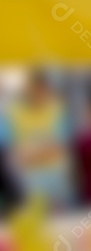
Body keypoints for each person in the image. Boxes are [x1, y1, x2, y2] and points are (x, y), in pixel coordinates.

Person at [8, 72, 70, 208]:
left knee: (61, 217)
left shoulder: (57, 109)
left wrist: (32, 152)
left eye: (42, 90)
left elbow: (61, 147)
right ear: (28, 90)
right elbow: (15, 153)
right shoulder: (15, 113)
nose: (38, 94)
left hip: (56, 176)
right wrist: (45, 149)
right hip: (30, 180)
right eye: (34, 89)